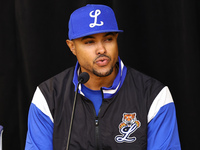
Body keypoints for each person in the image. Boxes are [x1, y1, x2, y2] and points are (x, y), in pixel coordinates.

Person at [25, 4, 181, 150]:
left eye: (108, 39)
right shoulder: (48, 95)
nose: (101, 49)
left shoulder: (154, 95)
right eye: (89, 42)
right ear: (72, 47)